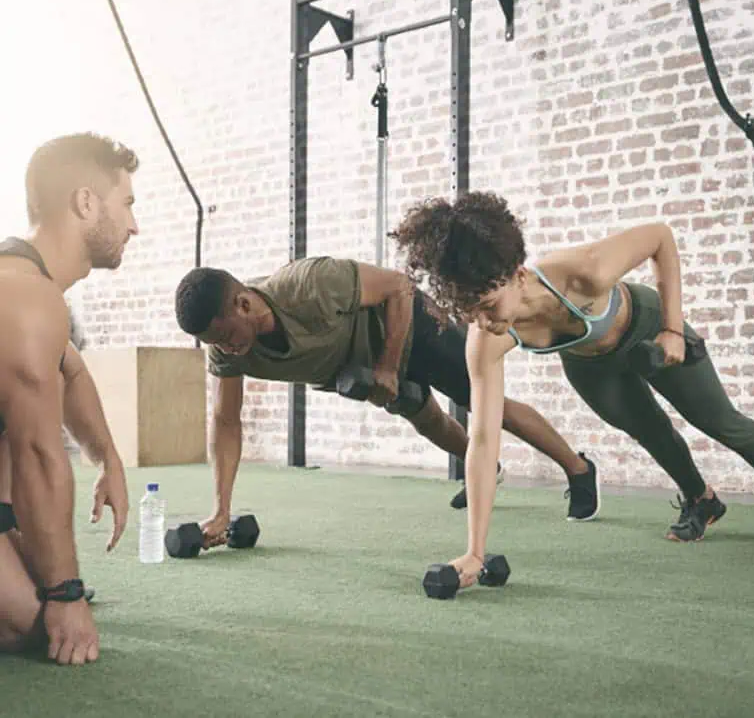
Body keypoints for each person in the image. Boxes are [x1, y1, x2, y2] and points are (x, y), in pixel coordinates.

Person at [389, 190, 754, 588]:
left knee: (718, 421)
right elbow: (483, 442)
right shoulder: (485, 339)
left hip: (646, 327)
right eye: (469, 311)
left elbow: (660, 237)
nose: (483, 322)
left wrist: (674, 330)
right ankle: (702, 500)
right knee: (651, 431)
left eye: (487, 306)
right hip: (589, 364)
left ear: (517, 275)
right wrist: (475, 552)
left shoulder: (582, 274)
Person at [173, 256, 601, 547]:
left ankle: (579, 470)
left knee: (489, 407)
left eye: (228, 337)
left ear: (244, 303)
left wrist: (389, 367)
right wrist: (221, 510)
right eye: (215, 344)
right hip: (373, 369)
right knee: (430, 423)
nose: (227, 350)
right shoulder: (225, 352)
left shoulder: (309, 284)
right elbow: (225, 422)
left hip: (412, 328)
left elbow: (400, 286)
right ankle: (484, 470)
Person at [0, 133, 139, 665]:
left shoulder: (27, 278)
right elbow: (38, 453)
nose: (133, 224)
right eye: (126, 203)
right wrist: (64, 593)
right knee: (33, 628)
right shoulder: (27, 298)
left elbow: (72, 373)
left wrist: (108, 458)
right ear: (86, 202)